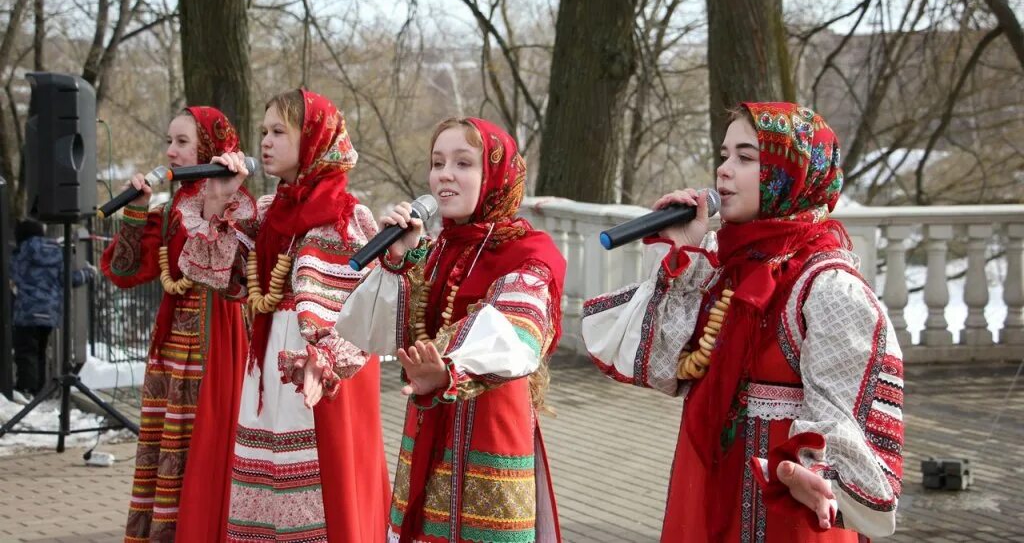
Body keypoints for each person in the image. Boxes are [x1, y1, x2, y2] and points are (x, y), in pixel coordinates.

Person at [582, 102, 904, 541]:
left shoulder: (828, 286)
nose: (724, 171)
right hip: (716, 487)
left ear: (790, 175)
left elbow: (841, 411)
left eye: (746, 158)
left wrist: (814, 471)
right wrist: (683, 254)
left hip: (789, 508)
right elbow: (662, 364)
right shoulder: (722, 267)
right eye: (724, 154)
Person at [318, 117, 567, 543]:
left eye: (463, 163)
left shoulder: (528, 252)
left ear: (496, 175)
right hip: (429, 421)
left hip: (492, 425)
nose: (444, 174)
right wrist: (399, 256)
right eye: (437, 162)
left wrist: (450, 370)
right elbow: (375, 330)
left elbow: (518, 331)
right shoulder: (436, 252)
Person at [180, 88, 389, 542]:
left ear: (313, 139)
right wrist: (218, 199)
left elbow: (372, 312)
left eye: (279, 132)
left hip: (327, 377)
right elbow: (219, 275)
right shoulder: (270, 212)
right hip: (267, 366)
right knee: (266, 480)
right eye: (263, 132)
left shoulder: (348, 217)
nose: (266, 143)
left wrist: (326, 361)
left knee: (325, 491)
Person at [100, 107, 253, 543]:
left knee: (205, 449)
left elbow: (235, 280)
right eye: (170, 140)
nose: (170, 151)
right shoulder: (172, 210)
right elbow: (124, 271)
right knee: (167, 452)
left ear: (208, 149)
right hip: (170, 353)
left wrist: (216, 205)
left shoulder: (233, 203)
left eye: (182, 142)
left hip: (214, 345)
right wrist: (137, 211)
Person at [10, 219, 94, 398]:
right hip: (49, 314)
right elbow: (69, 279)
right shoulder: (56, 252)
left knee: (25, 352)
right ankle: (38, 389)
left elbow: (12, 273)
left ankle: (26, 389)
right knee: (40, 350)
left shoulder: (21, 253)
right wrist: (88, 273)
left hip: (26, 312)